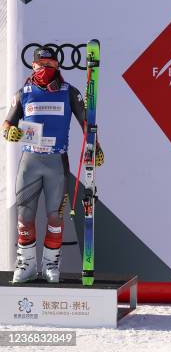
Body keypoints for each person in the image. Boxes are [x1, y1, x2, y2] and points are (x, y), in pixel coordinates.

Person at [3, 46, 104, 283]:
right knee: (24, 216)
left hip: (57, 162)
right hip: (30, 161)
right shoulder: (23, 93)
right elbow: (7, 125)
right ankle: (26, 265)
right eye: (39, 66)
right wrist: (11, 133)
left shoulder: (70, 93)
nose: (43, 70)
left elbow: (87, 124)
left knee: (55, 218)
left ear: (57, 66)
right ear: (33, 67)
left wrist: (95, 148)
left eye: (49, 66)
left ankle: (51, 265)